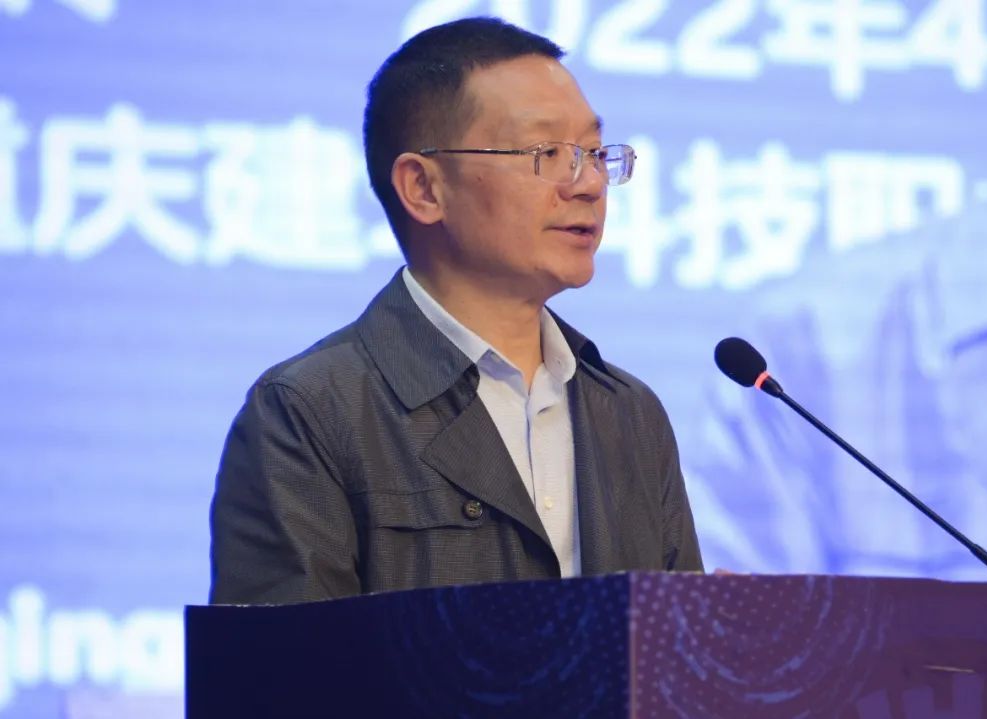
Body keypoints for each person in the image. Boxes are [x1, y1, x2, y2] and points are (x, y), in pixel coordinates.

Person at [209, 16, 703, 604]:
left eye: (594, 153)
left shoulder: (629, 414)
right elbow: (285, 663)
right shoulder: (310, 412)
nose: (589, 184)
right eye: (547, 152)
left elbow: (675, 651)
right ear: (423, 188)